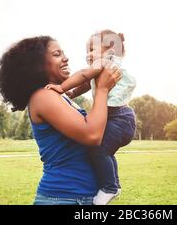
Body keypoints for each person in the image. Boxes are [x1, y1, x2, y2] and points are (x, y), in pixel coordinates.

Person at [0, 35, 122, 205]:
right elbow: (92, 135)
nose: (66, 58)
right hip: (63, 198)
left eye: (63, 53)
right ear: (37, 66)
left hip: (76, 198)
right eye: (56, 54)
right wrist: (102, 89)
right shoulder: (43, 97)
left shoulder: (59, 96)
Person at [46, 30, 136, 205]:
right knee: (106, 151)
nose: (88, 55)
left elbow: (83, 75)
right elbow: (87, 84)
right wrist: (71, 93)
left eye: (92, 49)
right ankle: (114, 185)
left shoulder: (105, 62)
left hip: (118, 118)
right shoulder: (102, 66)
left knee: (98, 149)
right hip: (119, 118)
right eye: (87, 51)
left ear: (110, 49)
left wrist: (62, 88)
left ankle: (109, 187)